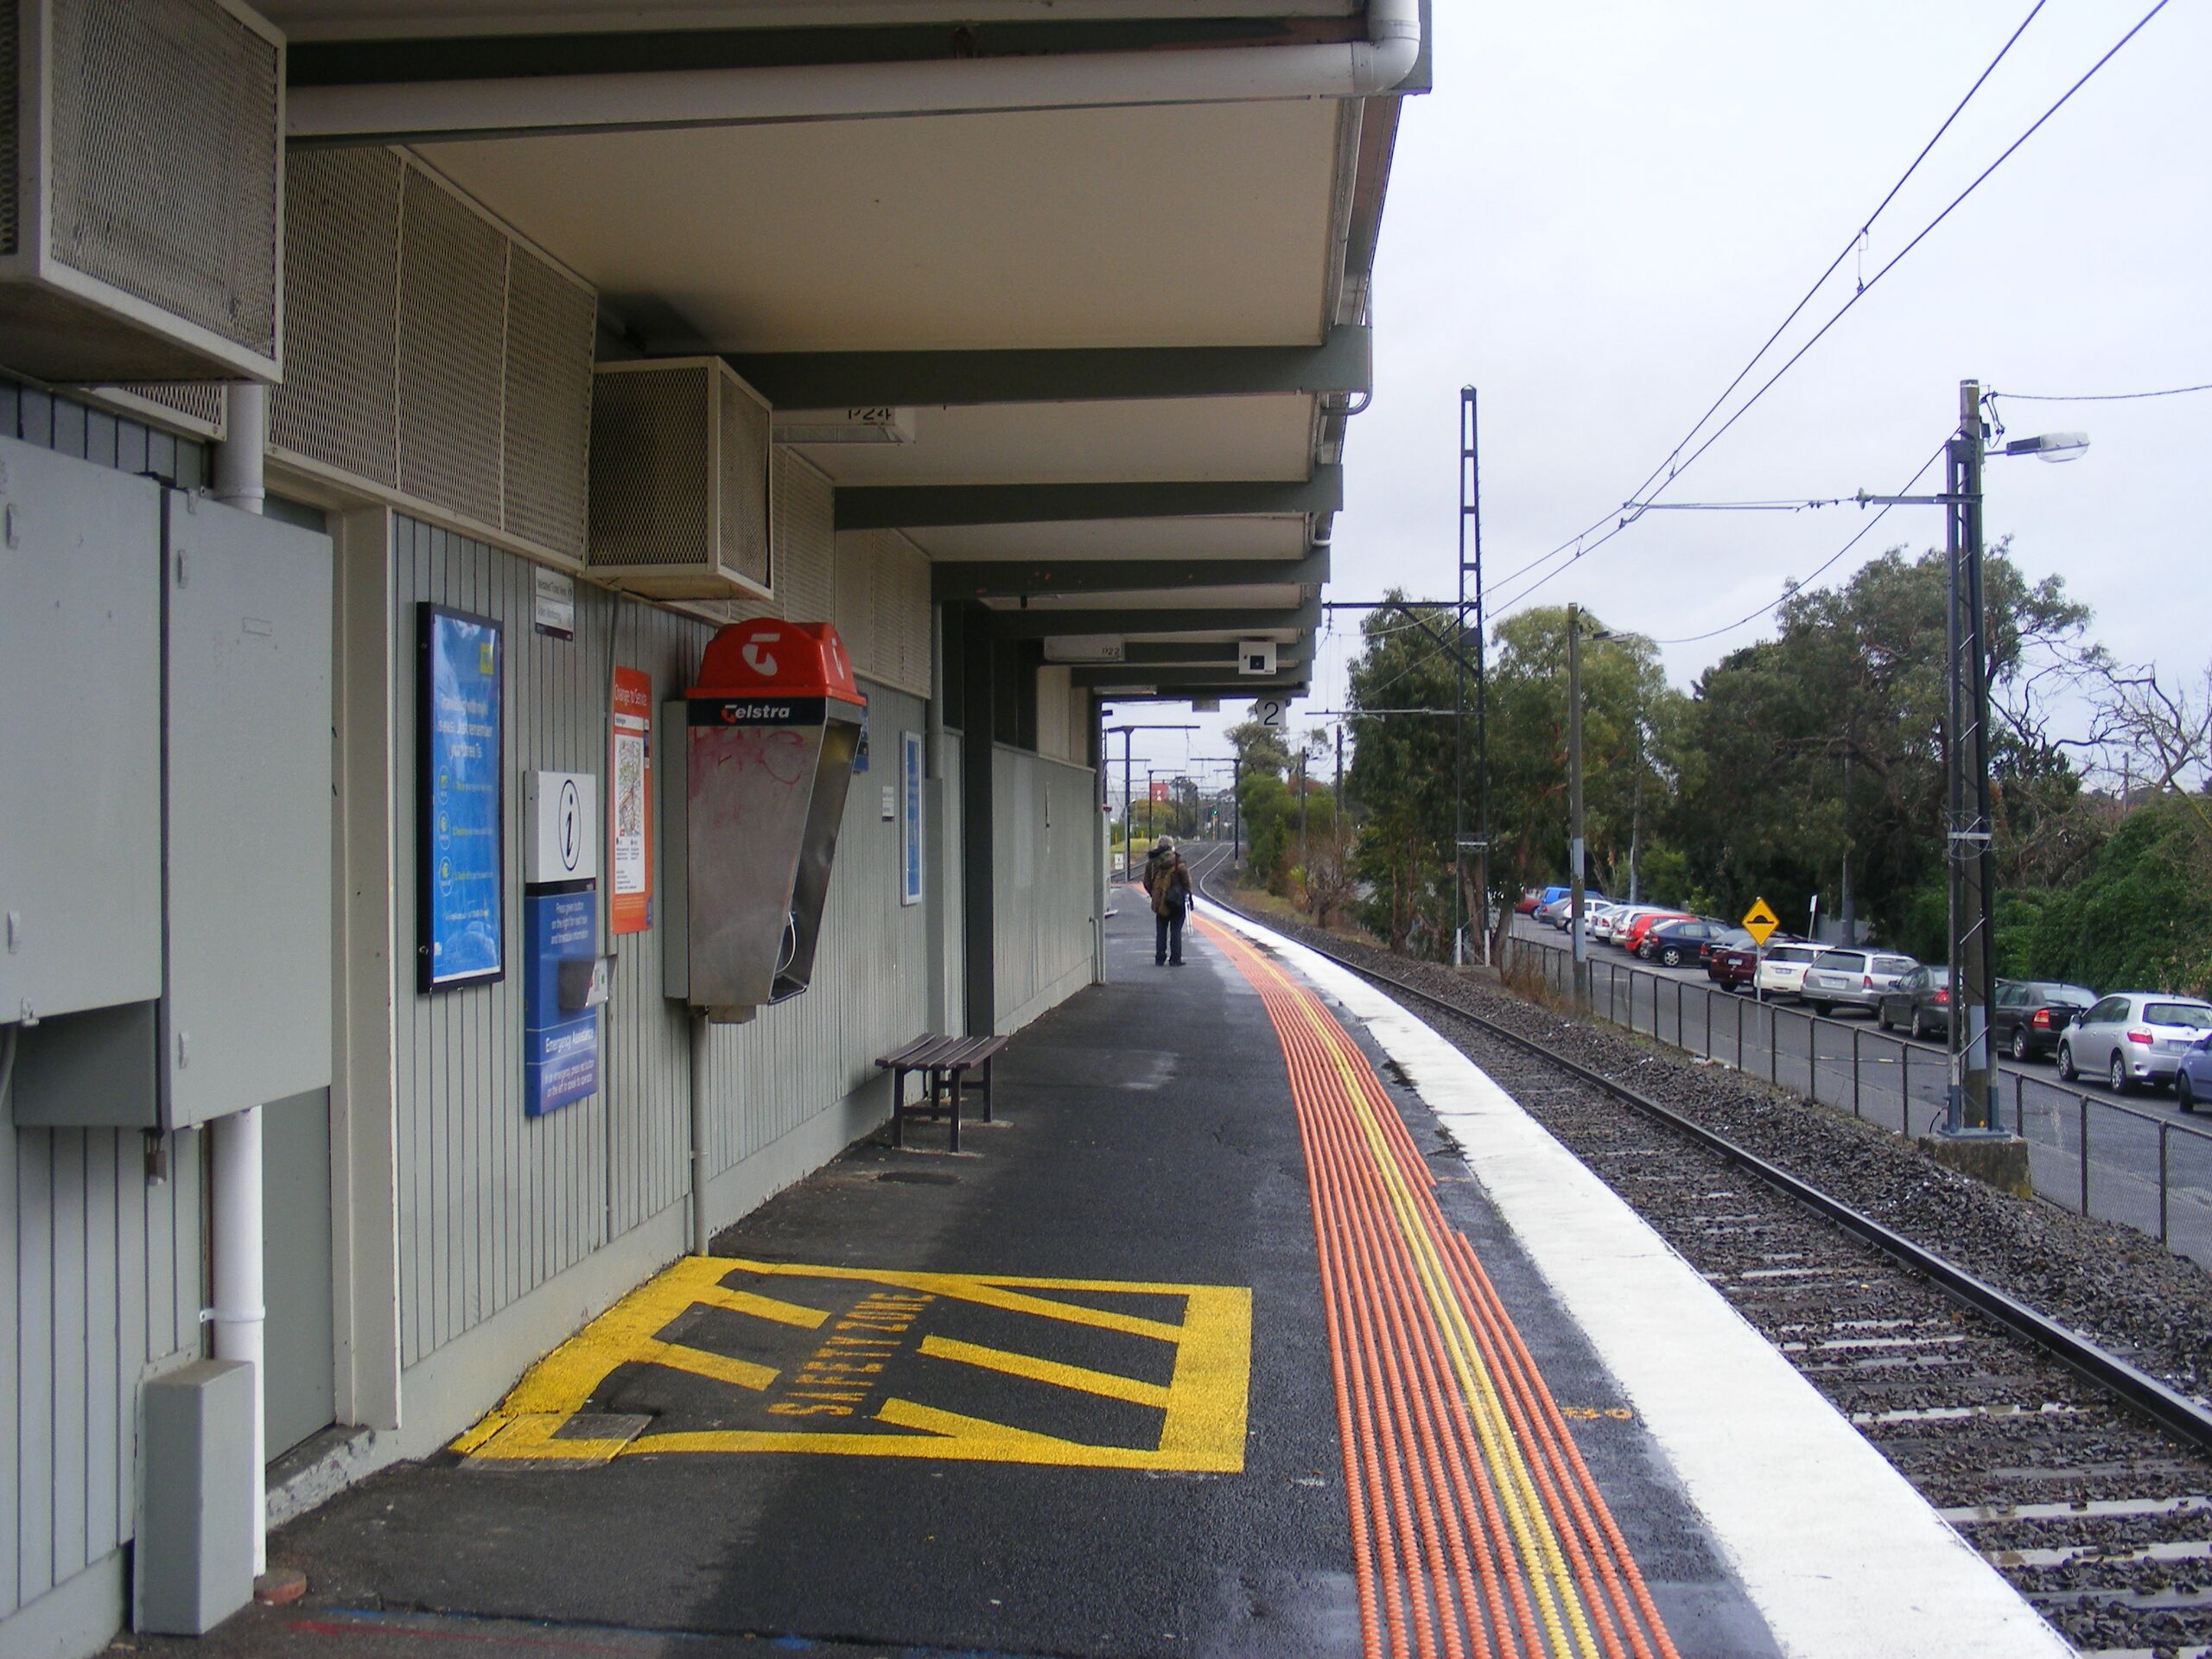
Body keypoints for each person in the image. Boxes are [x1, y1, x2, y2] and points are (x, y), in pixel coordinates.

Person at [1153, 849, 1195, 966]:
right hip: (1177, 903)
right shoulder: (1180, 865)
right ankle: (1175, 959)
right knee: (1176, 931)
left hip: (1161, 903)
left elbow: (1148, 882)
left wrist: (1156, 896)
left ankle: (1159, 958)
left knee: (1161, 932)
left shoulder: (1158, 865)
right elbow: (1187, 884)